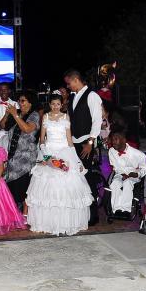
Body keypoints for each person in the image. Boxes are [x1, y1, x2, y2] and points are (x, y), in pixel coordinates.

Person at [25, 92, 92, 235]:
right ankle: (47, 223)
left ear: (61, 105)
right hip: (49, 152)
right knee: (46, 188)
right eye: (53, 104)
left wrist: (76, 159)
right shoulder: (46, 117)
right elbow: (42, 139)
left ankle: (65, 223)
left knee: (67, 187)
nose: (55, 107)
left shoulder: (66, 117)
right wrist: (45, 153)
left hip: (64, 151)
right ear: (49, 105)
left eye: (58, 104)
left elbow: (69, 140)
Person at [64, 69, 103, 225]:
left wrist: (90, 142)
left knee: (87, 178)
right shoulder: (74, 96)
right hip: (74, 143)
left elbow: (97, 121)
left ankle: (93, 214)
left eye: (68, 84)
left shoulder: (92, 95)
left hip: (86, 142)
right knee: (76, 178)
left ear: (75, 80)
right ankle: (80, 212)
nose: (68, 87)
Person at [1, 90, 40, 216]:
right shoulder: (16, 114)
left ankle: (25, 214)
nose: (20, 103)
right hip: (13, 156)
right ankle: (14, 213)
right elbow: (2, 126)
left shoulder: (34, 115)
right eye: (19, 101)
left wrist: (16, 115)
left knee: (24, 187)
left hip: (26, 158)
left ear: (30, 102)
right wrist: (8, 114)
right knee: (13, 187)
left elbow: (27, 129)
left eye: (23, 101)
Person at [107, 129, 146, 221]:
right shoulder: (111, 151)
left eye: (116, 139)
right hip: (120, 173)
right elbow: (115, 167)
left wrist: (137, 174)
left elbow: (145, 168)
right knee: (114, 184)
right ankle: (116, 209)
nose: (113, 142)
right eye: (112, 139)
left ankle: (126, 209)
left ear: (124, 140)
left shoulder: (138, 154)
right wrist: (122, 174)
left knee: (127, 183)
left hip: (133, 175)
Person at [0, 83, 18, 151]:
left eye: (5, 90)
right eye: (1, 90)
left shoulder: (15, 104)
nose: (3, 91)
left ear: (9, 91)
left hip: (12, 137)